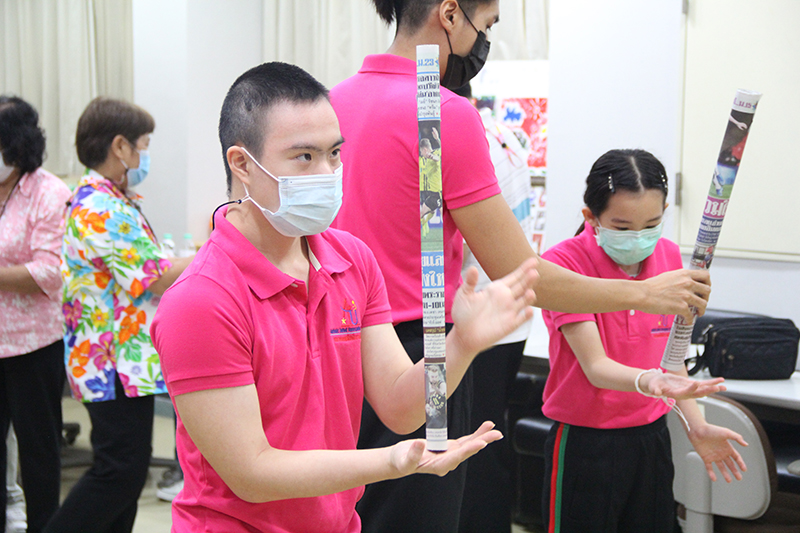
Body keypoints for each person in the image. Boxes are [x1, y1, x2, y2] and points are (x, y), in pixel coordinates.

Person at [330, 1, 712, 530]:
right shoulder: (445, 112)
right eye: (485, 27)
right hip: (422, 354)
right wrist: (643, 294)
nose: (482, 43)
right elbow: (524, 274)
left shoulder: (332, 103)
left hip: (335, 348)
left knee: (344, 514)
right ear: (449, 14)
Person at [149, 61, 538, 533]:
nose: (328, 172)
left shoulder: (351, 260)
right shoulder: (202, 300)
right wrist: (393, 463)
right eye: (303, 157)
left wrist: (460, 345)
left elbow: (400, 405)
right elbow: (253, 473)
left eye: (334, 153)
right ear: (242, 164)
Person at [540, 149, 747, 533]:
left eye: (651, 224)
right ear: (592, 218)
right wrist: (648, 381)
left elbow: (673, 361)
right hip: (587, 443)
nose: (638, 238)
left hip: (651, 437)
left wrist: (695, 424)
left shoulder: (668, 257)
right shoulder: (562, 267)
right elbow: (596, 367)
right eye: (622, 228)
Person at [46, 97, 193, 533]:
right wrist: (225, 243)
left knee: (125, 477)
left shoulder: (107, 199)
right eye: (143, 145)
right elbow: (156, 276)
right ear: (120, 147)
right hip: (112, 362)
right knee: (119, 473)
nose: (145, 154)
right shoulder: (103, 208)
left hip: (112, 358)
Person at [459, 98, 534, 533]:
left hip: (482, 316)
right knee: (488, 439)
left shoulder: (471, 140)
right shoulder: (505, 135)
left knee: (474, 447)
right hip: (508, 315)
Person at [0, 95, 71, 533]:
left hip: (32, 344)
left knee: (38, 450)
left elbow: (50, 270)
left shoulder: (49, 192)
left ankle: (46, 527)